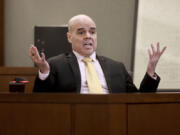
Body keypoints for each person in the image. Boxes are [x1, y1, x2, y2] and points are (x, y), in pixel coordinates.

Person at [29, 14, 166, 94]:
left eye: (92, 32)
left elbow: (139, 99)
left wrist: (150, 73)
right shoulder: (56, 64)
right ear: (69, 37)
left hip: (113, 119)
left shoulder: (117, 67)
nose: (88, 36)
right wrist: (44, 72)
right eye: (81, 32)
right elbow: (41, 98)